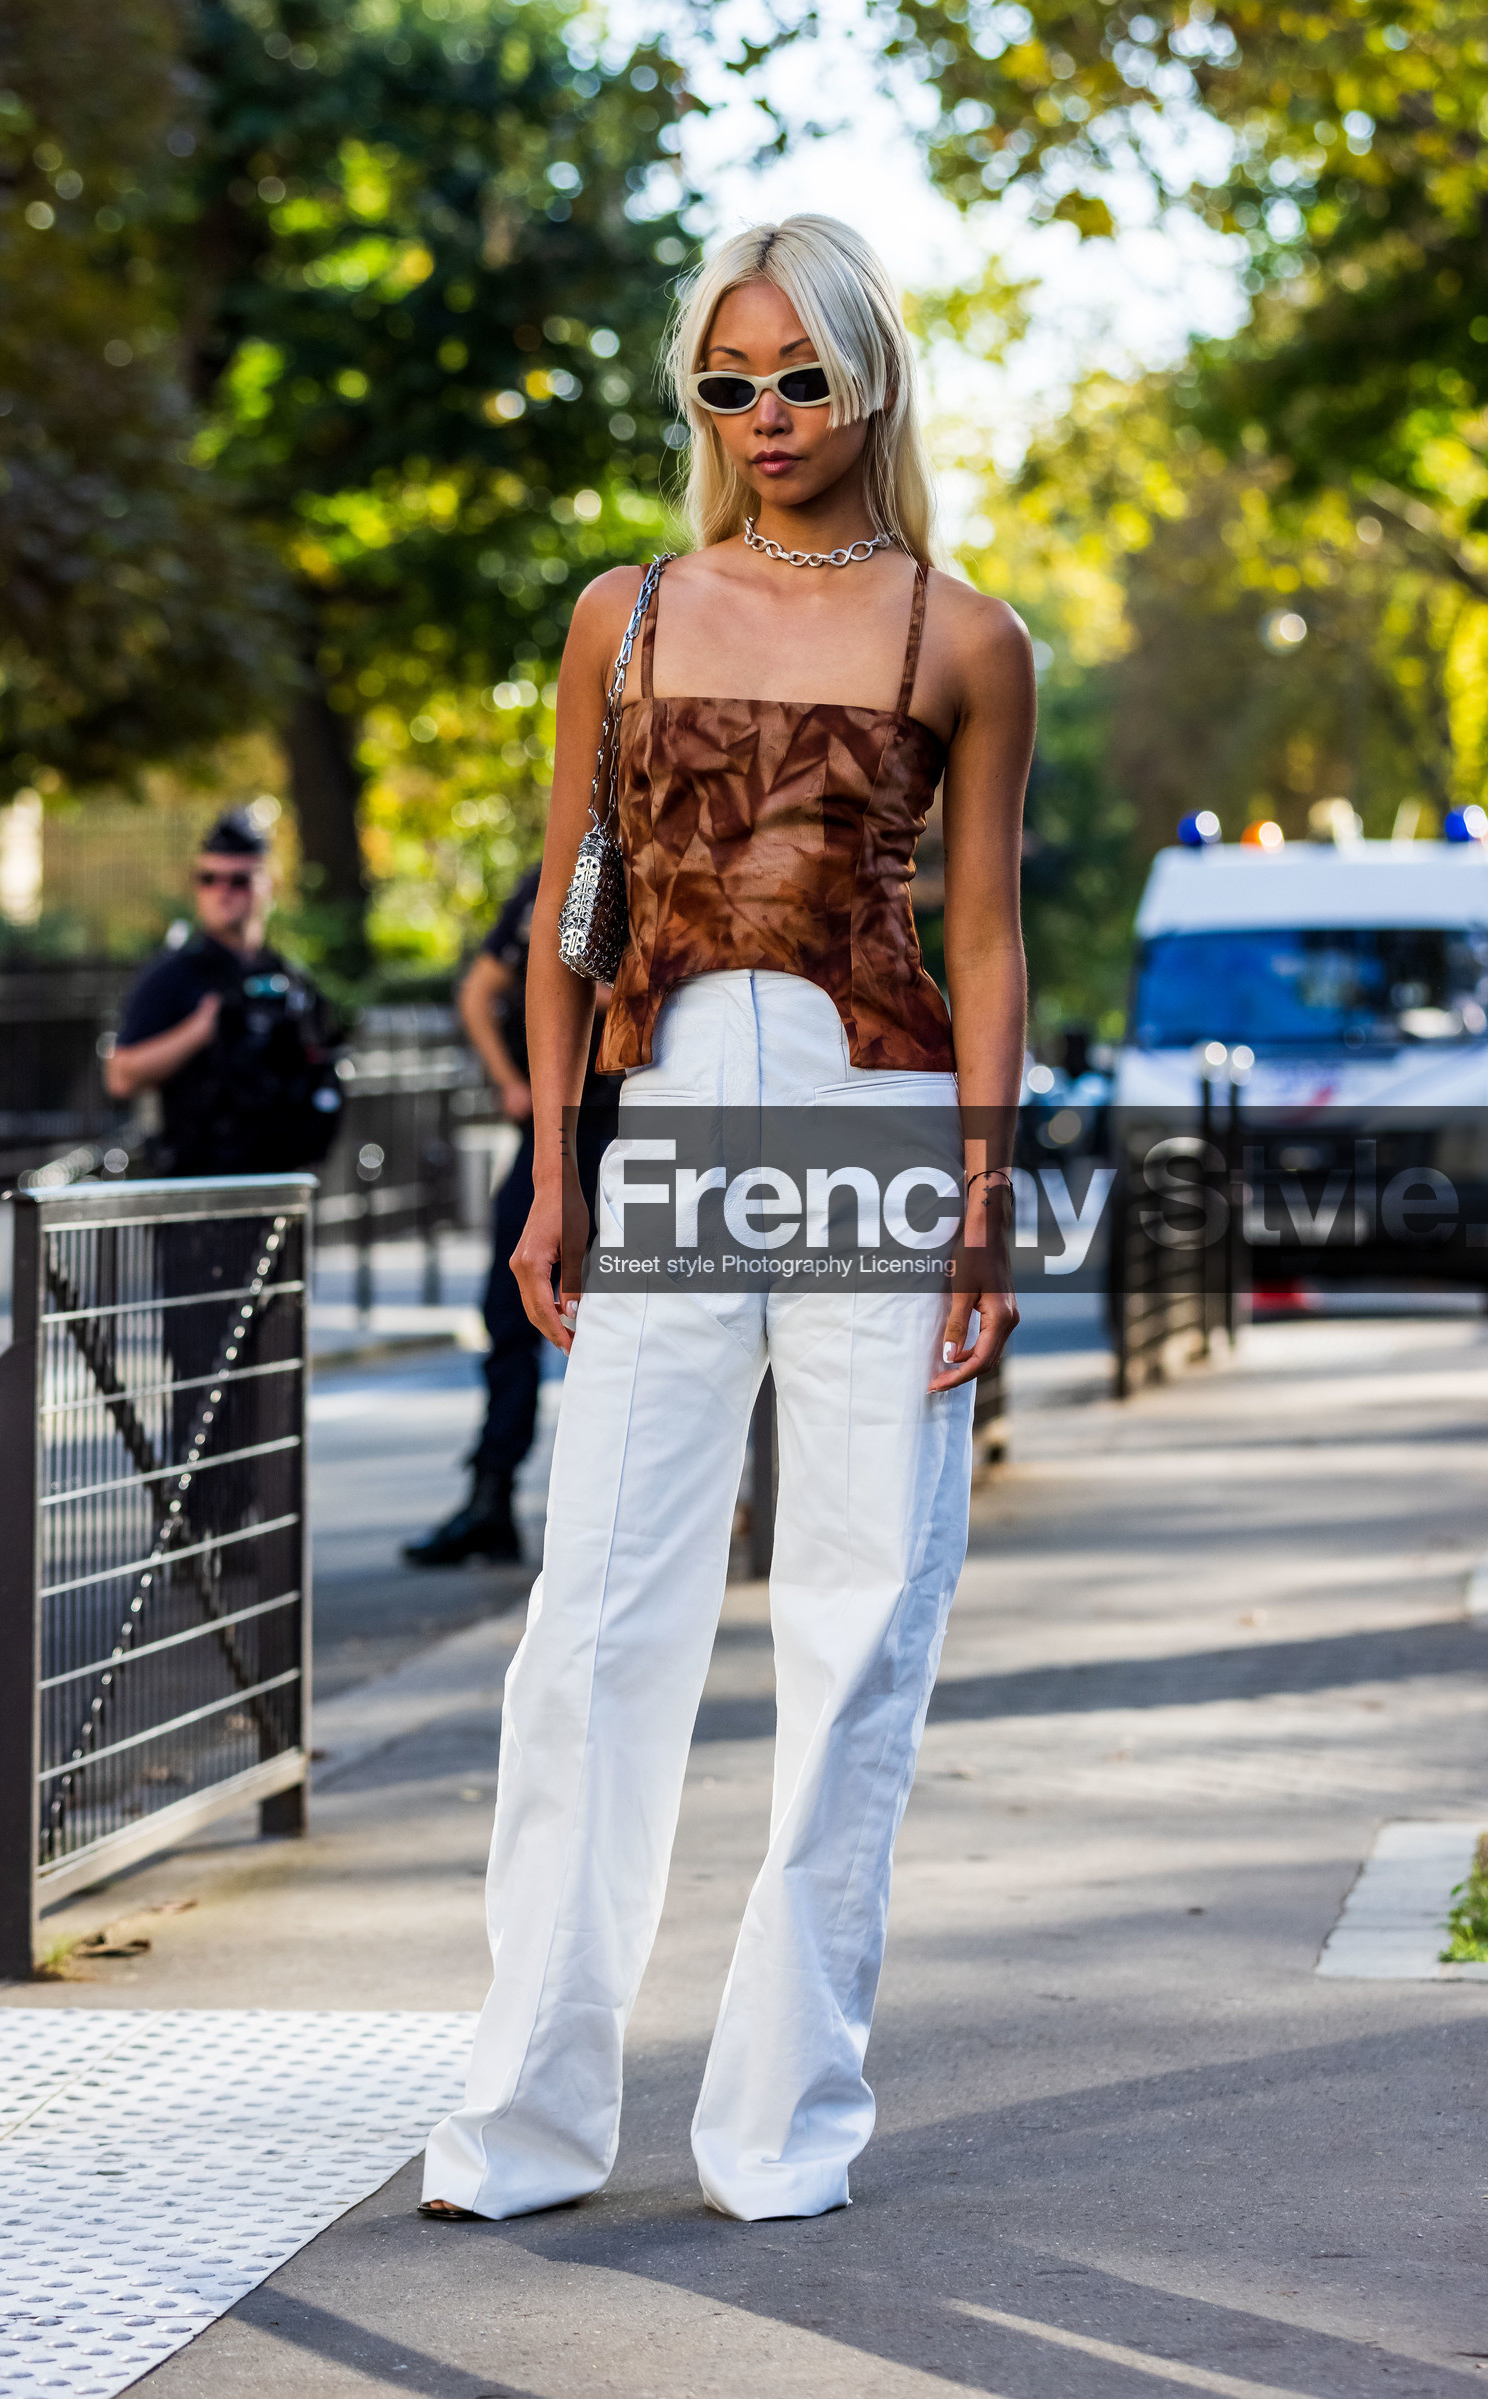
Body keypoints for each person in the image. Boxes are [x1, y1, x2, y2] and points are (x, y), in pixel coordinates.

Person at [420, 215, 1032, 2225]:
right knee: (590, 1622)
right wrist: (548, 1163)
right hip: (666, 1108)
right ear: (696, 399)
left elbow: (986, 932)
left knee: (858, 1628)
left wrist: (977, 1190)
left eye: (799, 376)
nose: (765, 416)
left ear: (864, 377)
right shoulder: (631, 611)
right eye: (725, 382)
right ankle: (521, 2114)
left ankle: (782, 2123)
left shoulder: (961, 636)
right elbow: (560, 906)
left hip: (873, 1114)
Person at [401, 865, 620, 1567]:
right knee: (509, 1315)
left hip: (633, 1127)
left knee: (628, 1329)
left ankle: (611, 1514)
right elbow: (478, 991)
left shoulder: (663, 853)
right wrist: (510, 1081)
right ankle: (490, 1496)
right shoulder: (547, 882)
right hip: (552, 1132)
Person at [104, 809, 342, 1177]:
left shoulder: (289, 978)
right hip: (197, 1188)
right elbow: (120, 1075)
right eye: (208, 878)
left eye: (239, 880)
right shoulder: (172, 975)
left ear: (269, 884)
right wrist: (199, 1031)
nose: (222, 893)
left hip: (277, 1181)